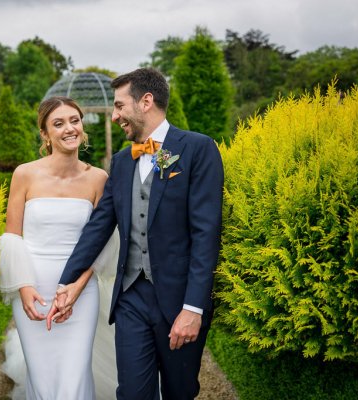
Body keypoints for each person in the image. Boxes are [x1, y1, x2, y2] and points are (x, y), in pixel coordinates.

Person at [48, 68, 224, 400]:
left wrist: (194, 308)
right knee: (131, 393)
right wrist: (65, 282)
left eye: (119, 106)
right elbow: (99, 226)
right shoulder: (122, 161)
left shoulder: (198, 150)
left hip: (179, 300)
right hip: (130, 299)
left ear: (146, 102)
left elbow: (206, 233)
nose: (114, 116)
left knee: (180, 392)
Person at [0, 96, 118, 399]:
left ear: (83, 127)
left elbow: (101, 240)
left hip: (80, 290)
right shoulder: (24, 174)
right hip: (34, 289)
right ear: (45, 134)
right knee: (43, 377)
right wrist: (23, 287)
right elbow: (12, 237)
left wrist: (76, 288)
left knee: (74, 376)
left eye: (74, 120)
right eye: (58, 123)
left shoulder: (98, 179)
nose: (69, 128)